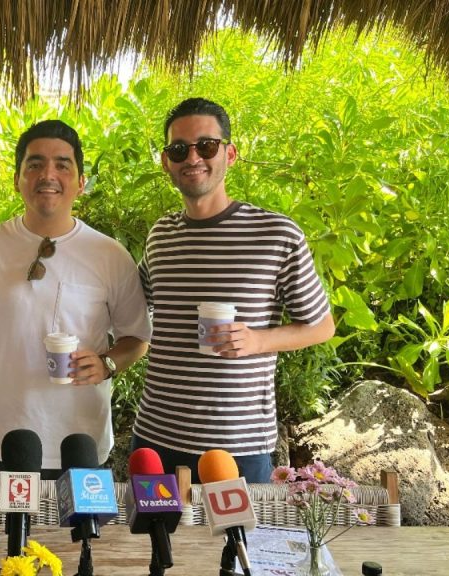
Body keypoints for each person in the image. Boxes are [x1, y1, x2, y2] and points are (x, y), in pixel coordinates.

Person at [133, 97, 335, 483]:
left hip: (236, 444)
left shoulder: (276, 234)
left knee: (237, 545)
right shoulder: (161, 235)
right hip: (155, 437)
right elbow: (134, 309)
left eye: (205, 146)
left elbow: (322, 326)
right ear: (166, 162)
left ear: (230, 153)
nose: (192, 158)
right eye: (179, 149)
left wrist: (258, 340)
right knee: (153, 544)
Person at [0, 120, 152, 478]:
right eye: (34, 164)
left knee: (84, 537)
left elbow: (137, 337)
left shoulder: (109, 254)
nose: (48, 174)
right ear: (17, 179)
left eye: (62, 164)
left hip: (80, 442)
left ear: (81, 182)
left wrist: (107, 364)